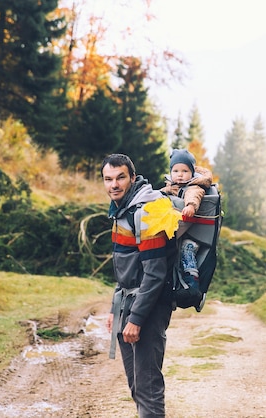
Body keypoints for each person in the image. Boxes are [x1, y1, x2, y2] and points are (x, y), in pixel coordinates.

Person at [102, 153, 178, 418]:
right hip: (127, 303)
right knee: (137, 386)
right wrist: (116, 310)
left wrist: (135, 319)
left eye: (120, 177)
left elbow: (155, 274)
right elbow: (126, 269)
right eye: (108, 179)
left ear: (132, 178)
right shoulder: (123, 209)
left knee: (147, 388)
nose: (114, 184)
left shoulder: (145, 212)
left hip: (149, 307)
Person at [160, 149, 213, 290]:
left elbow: (194, 195)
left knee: (186, 250)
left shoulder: (194, 186)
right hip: (180, 230)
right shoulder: (171, 186)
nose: (180, 175)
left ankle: (192, 283)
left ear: (192, 173)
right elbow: (160, 194)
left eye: (185, 171)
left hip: (194, 234)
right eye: (176, 171)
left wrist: (190, 206)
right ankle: (171, 281)